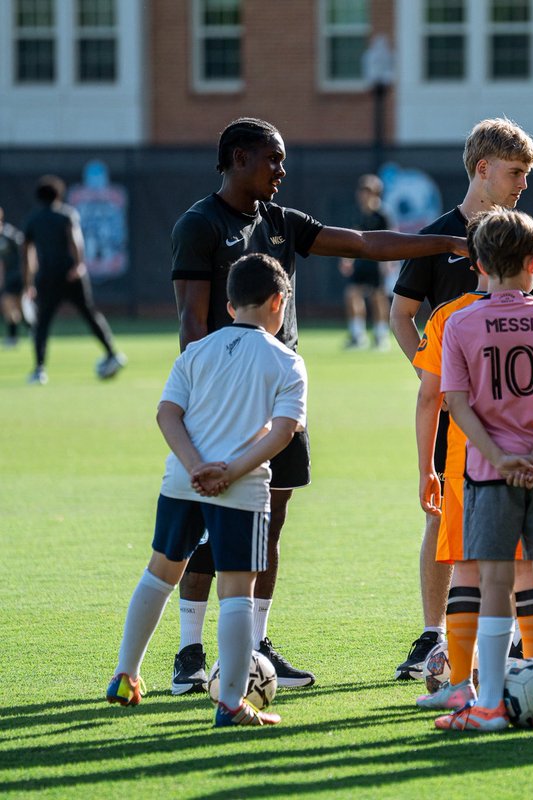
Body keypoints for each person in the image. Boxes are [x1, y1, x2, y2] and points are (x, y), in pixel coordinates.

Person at [169, 117, 466, 696]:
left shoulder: (280, 223)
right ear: (236, 158)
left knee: (270, 522)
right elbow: (190, 319)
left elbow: (361, 243)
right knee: (212, 528)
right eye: (271, 159)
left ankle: (255, 645)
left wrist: (444, 242)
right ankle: (189, 654)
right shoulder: (199, 224)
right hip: (226, 402)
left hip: (281, 397)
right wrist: (212, 394)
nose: (281, 170)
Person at [389, 117, 533, 682]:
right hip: (457, 413)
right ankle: (434, 636)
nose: (522, 186)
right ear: (482, 168)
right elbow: (400, 313)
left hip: (516, 411)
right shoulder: (435, 236)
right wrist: (431, 375)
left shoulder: (525, 239)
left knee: (517, 524)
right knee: (445, 518)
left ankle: (510, 643)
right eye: (515, 173)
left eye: (527, 175)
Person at [106, 253, 304, 727]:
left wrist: (196, 466)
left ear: (230, 305)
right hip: (241, 489)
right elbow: (283, 432)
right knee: (237, 592)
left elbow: (166, 414)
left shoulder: (196, 351)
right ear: (279, 302)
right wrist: (229, 472)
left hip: (182, 480)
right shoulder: (287, 360)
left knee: (159, 574)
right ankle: (232, 704)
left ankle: (125, 674)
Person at [433, 209, 533, 732]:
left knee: (495, 582)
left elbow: (455, 403)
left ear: (478, 264)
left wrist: (500, 458)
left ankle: (491, 705)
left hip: (488, 471)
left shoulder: (460, 322)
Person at [411, 213, 533, 711]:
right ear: (532, 263)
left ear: (472, 260)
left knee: (468, 569)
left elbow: (432, 398)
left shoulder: (451, 316)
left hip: (468, 462)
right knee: (528, 571)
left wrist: (425, 467)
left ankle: (461, 685)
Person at [20, 175, 125, 384]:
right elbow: (75, 238)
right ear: (59, 195)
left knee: (43, 323)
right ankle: (113, 354)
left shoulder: (33, 219)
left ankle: (39, 369)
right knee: (89, 313)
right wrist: (79, 265)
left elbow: (27, 254)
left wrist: (28, 284)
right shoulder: (66, 214)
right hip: (70, 274)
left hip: (48, 276)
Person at [338, 174, 393, 350]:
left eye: (368, 191)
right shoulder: (356, 214)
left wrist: (389, 263)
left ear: (376, 193)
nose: (364, 195)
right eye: (362, 191)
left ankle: (380, 335)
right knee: (352, 294)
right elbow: (352, 238)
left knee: (378, 297)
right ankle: (357, 335)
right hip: (361, 262)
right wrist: (347, 259)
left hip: (377, 262)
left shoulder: (383, 215)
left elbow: (392, 239)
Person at [0, 206, 27, 347]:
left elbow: (27, 252)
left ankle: (14, 336)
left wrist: (28, 276)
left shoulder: (9, 234)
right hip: (9, 276)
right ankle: (15, 336)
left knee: (12, 304)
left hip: (19, 275)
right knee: (13, 307)